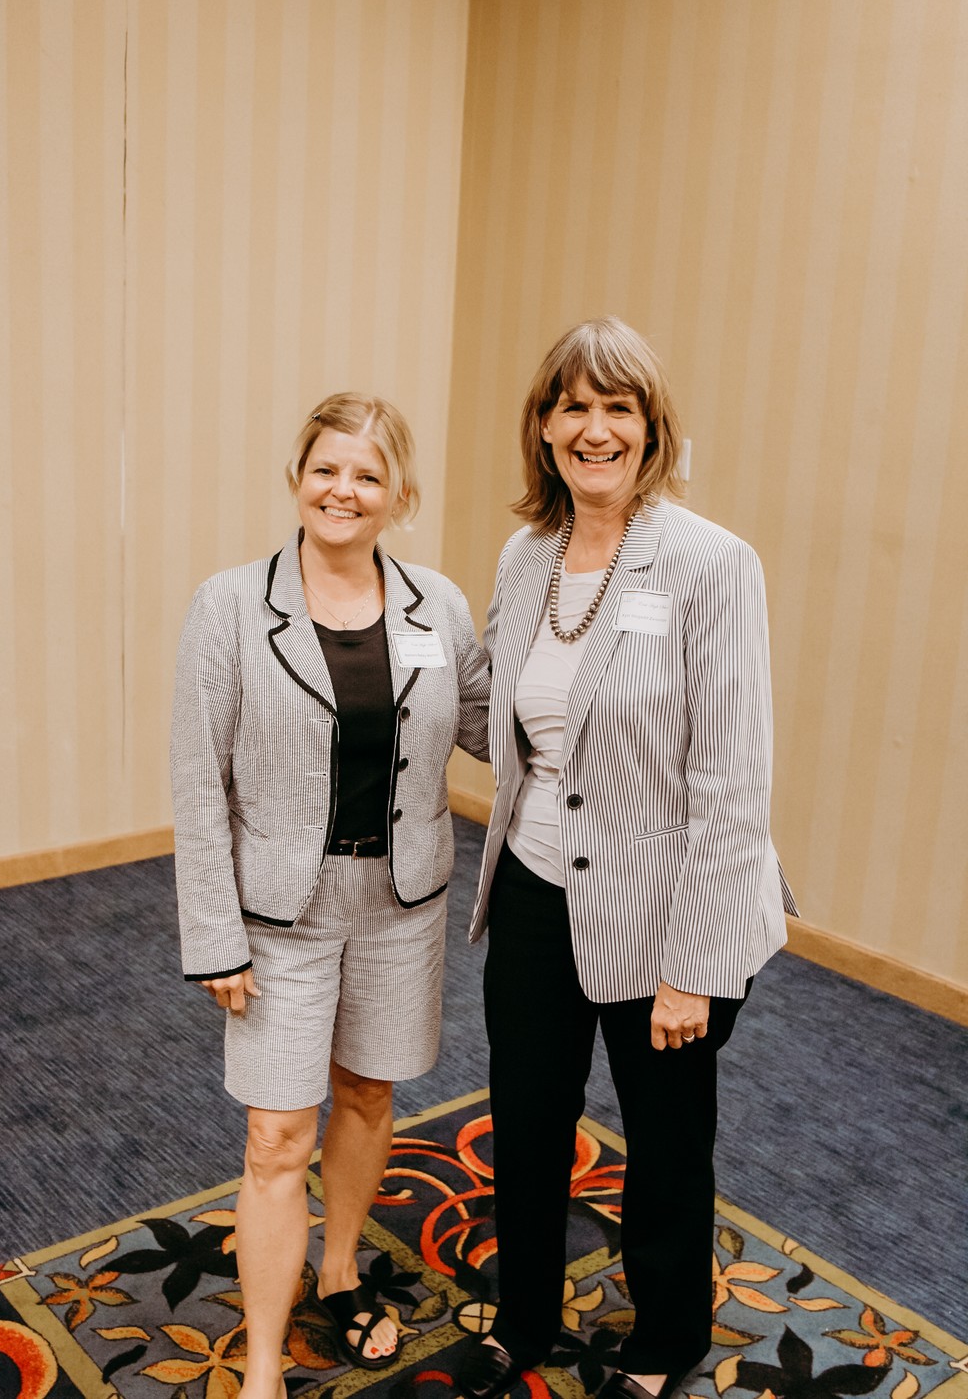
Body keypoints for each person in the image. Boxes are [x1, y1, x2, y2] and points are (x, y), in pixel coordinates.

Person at [457, 318, 796, 1399]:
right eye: (574, 407)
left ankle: (664, 1337)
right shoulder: (525, 555)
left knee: (664, 1137)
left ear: (651, 428)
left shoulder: (709, 564)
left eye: (619, 407)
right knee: (526, 1120)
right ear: (543, 427)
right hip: (534, 884)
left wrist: (693, 966)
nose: (594, 429)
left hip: (668, 906)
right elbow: (498, 716)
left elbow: (731, 780)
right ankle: (525, 1319)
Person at [170, 393, 489, 1399]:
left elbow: (494, 727)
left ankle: (341, 1269)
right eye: (326, 469)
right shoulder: (229, 605)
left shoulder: (438, 605)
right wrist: (214, 936)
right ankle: (265, 1362)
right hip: (280, 918)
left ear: (400, 493)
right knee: (275, 1137)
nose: (343, 490)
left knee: (368, 1094)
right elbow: (198, 780)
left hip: (401, 905)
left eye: (367, 474)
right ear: (297, 478)